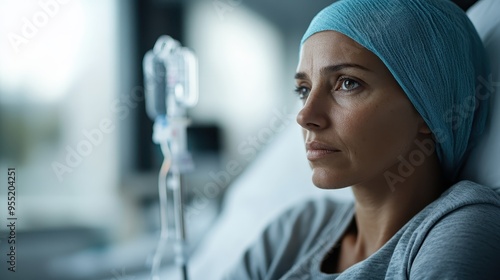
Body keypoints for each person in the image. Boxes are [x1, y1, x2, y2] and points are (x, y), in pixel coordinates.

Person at [223, 0, 500, 279]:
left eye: (348, 83)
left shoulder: (464, 226)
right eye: (304, 89)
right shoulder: (296, 231)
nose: (305, 115)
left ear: (432, 109)